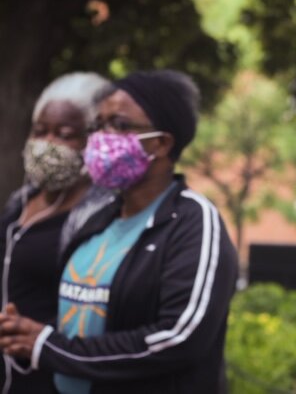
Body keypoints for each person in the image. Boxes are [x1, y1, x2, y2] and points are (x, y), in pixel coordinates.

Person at [0, 70, 239, 394]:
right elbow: (81, 323)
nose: (102, 137)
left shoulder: (192, 220)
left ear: (162, 142)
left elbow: (179, 337)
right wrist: (26, 336)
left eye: (120, 125)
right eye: (98, 125)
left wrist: (51, 346)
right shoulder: (98, 220)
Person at [0, 72, 112, 394]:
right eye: (40, 132)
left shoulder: (100, 213)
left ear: (92, 140)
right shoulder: (20, 200)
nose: (48, 144)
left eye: (65, 134)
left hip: (53, 375)